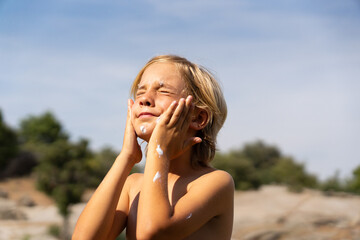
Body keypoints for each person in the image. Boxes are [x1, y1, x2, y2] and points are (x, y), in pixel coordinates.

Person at [72, 55, 234, 240]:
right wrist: (126, 157)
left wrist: (160, 149)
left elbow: (154, 232)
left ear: (198, 118)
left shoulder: (215, 182)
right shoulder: (133, 185)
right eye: (140, 93)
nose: (145, 99)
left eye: (163, 91)